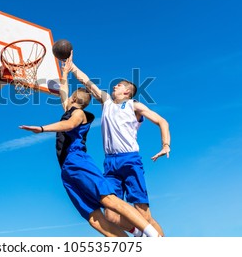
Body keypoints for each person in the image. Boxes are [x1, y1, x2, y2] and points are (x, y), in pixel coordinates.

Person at [19, 59, 161, 237]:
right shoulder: (68, 109)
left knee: (112, 201)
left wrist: (41, 129)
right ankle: (135, 238)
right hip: (67, 168)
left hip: (78, 160)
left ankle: (152, 236)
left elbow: (69, 125)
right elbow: (64, 91)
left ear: (74, 99)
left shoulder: (78, 114)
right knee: (96, 220)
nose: (66, 95)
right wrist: (66, 72)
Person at [67, 51, 170, 237]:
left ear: (127, 91)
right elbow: (87, 82)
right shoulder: (106, 102)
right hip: (110, 163)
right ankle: (138, 232)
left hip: (129, 159)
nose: (115, 85)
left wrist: (166, 145)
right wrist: (71, 66)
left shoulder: (134, 106)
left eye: (120, 85)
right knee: (111, 214)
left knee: (144, 214)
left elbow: (162, 121)